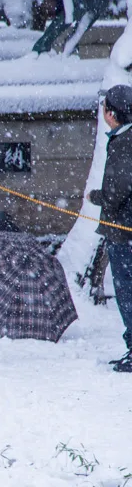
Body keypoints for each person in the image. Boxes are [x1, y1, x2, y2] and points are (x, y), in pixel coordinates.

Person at [88, 84, 132, 372]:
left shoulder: (124, 141)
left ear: (112, 113)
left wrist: (97, 197)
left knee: (127, 290)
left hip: (124, 231)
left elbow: (118, 189)